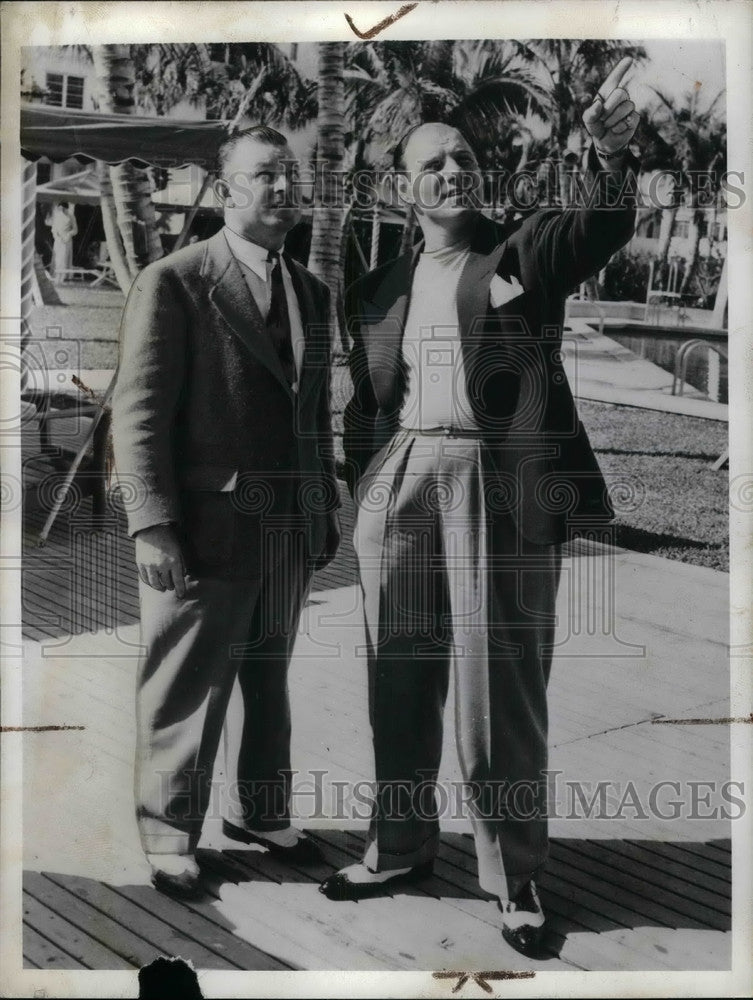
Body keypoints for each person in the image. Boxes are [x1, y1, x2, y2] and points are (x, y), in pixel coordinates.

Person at [319, 59, 640, 957]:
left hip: (497, 485)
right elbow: (365, 398)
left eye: (462, 158)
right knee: (397, 681)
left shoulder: (520, 252)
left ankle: (512, 876)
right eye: (432, 164)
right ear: (403, 186)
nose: (451, 172)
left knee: (499, 696)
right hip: (402, 479)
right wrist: (370, 482)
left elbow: (598, 223)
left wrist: (609, 165)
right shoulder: (374, 286)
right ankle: (399, 848)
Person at [112, 124, 340, 900]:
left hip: (286, 530)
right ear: (226, 190)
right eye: (263, 176)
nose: (282, 189)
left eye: (291, 176)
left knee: (267, 679)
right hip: (205, 531)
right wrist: (149, 521)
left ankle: (259, 813)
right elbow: (137, 413)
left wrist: (321, 511)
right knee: (186, 682)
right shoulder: (175, 280)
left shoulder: (311, 291)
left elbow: (311, 418)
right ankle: (168, 830)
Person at [47, 201, 77, 282]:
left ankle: (64, 275)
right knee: (58, 257)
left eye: (64, 208)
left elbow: (75, 230)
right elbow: (53, 229)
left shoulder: (71, 216)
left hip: (67, 240)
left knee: (64, 257)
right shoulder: (56, 215)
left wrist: (69, 234)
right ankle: (56, 274)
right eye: (60, 207)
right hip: (58, 239)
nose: (62, 209)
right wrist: (56, 236)